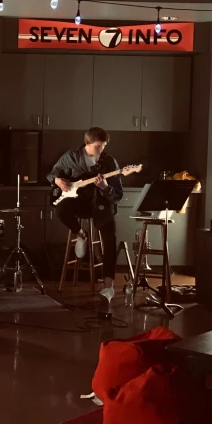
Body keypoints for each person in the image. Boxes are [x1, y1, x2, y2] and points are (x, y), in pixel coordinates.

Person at [47, 127, 123, 302]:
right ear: (87, 144)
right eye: (98, 146)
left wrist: (105, 187)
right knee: (61, 210)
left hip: (102, 204)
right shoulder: (71, 157)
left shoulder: (109, 162)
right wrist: (58, 181)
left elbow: (117, 195)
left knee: (110, 240)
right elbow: (52, 174)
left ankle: (108, 287)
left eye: (103, 146)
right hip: (78, 202)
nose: (101, 150)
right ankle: (81, 234)